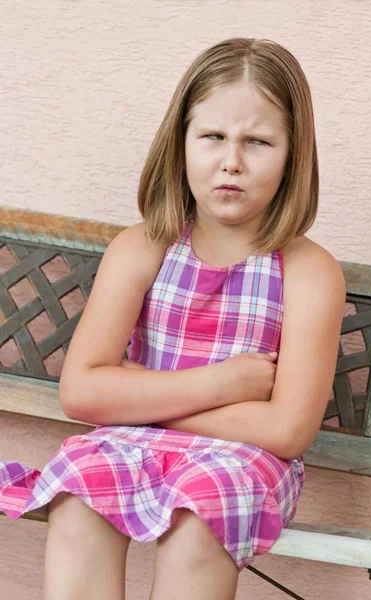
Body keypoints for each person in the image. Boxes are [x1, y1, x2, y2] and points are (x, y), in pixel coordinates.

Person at [0, 37, 346, 600]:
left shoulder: (309, 271)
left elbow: (285, 430)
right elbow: (82, 393)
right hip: (130, 445)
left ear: (293, 155)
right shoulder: (144, 247)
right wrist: (222, 385)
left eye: (258, 141)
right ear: (180, 143)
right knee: (80, 491)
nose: (231, 160)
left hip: (241, 464)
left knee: (199, 515)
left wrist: (140, 399)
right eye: (212, 137)